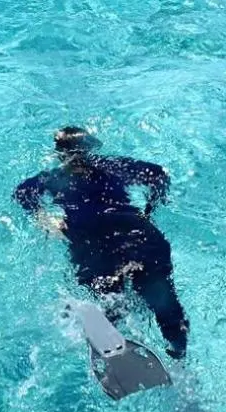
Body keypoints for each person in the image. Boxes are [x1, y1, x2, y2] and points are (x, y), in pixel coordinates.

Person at [15, 127, 190, 359]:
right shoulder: (113, 166)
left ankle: (122, 344)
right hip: (141, 238)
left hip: (94, 246)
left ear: (58, 155)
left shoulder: (54, 179)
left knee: (109, 302)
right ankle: (180, 358)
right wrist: (149, 210)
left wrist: (45, 220)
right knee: (164, 305)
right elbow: (159, 175)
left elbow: (23, 194)